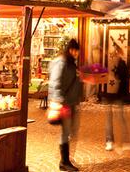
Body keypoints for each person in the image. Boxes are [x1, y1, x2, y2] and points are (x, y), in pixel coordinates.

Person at [48, 39, 83, 171]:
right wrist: (59, 102)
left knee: (70, 131)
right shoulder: (62, 63)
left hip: (71, 102)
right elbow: (55, 83)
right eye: (74, 50)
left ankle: (66, 160)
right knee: (66, 132)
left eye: (77, 51)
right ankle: (64, 162)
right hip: (65, 103)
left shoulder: (71, 64)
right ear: (69, 50)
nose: (76, 53)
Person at [104, 45, 130, 153]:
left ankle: (124, 141)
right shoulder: (108, 64)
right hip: (109, 94)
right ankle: (110, 141)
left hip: (117, 95)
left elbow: (124, 80)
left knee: (120, 118)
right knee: (110, 119)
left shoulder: (122, 64)